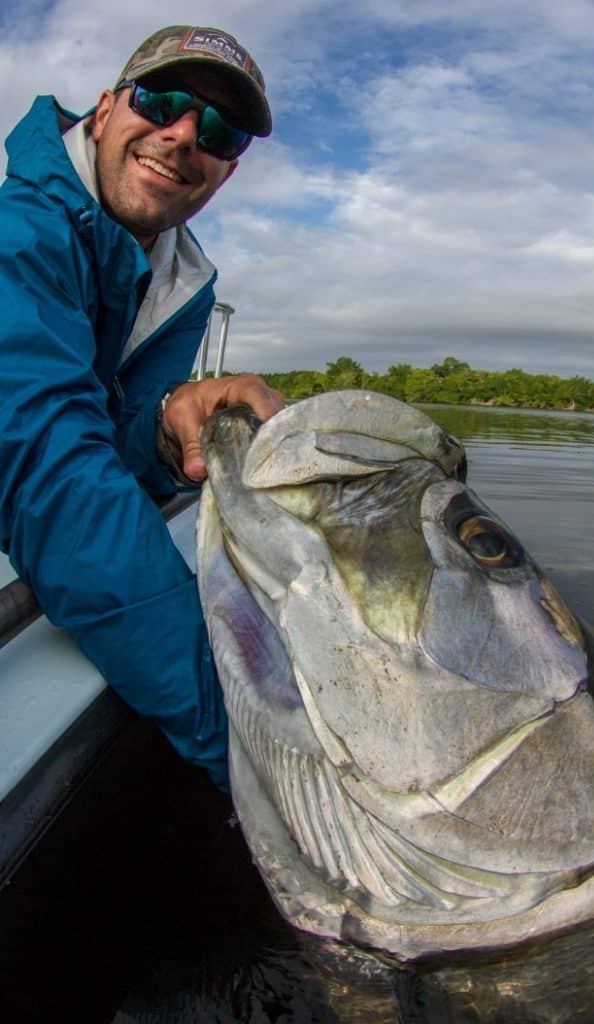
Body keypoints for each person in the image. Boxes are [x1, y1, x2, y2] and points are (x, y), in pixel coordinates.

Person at [0, 25, 285, 791]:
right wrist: (262, 757)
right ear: (103, 109)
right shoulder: (17, 219)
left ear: (225, 171)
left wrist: (165, 426)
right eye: (161, 100)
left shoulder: (181, 282)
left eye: (219, 131)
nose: (184, 134)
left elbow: (96, 436)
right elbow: (46, 463)